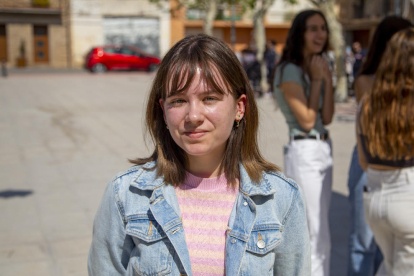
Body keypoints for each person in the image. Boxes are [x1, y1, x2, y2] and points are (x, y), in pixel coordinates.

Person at [88, 34, 311, 276]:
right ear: (163, 111)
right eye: (179, 100)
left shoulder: (281, 200)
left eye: (209, 98)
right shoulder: (126, 196)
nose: (193, 116)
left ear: (240, 107)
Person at [347, 15, 412, 276]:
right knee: (365, 246)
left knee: (390, 264)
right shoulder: (377, 90)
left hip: (376, 179)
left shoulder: (369, 102)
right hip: (398, 180)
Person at [272, 10, 334, 276]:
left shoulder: (314, 67)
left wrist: (326, 78)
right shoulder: (289, 70)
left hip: (323, 147)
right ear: (300, 34)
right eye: (313, 29)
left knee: (323, 231)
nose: (320, 34)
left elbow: (328, 116)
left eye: (323, 28)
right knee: (313, 230)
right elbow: (307, 120)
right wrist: (318, 79)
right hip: (304, 147)